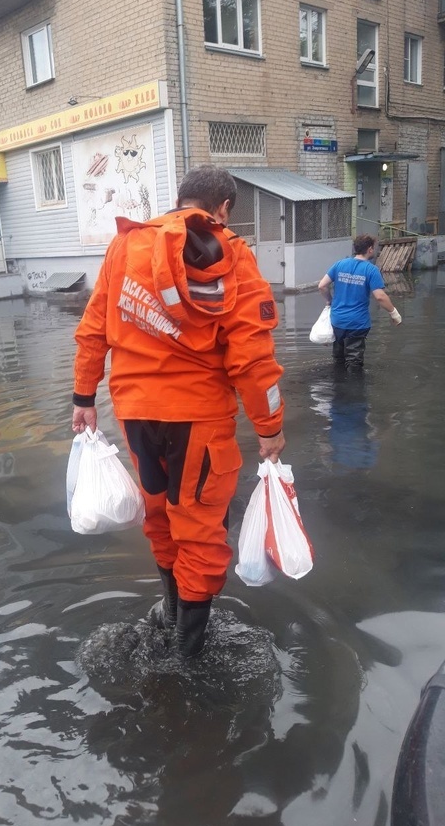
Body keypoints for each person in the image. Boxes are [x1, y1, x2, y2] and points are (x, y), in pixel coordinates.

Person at [70, 165, 285, 658]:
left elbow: (93, 327)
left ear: (180, 197)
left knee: (160, 516)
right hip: (198, 419)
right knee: (201, 528)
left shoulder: (125, 245)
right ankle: (189, 658)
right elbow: (251, 354)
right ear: (223, 207)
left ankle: (170, 614)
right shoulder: (232, 253)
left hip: (135, 413)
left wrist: (84, 397)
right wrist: (270, 427)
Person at [318, 234, 402, 371]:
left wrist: (330, 301)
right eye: (373, 248)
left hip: (337, 320)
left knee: (338, 359)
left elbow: (322, 286)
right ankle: (354, 390)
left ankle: (337, 388)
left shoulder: (340, 264)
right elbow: (380, 296)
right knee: (354, 363)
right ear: (369, 249)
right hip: (357, 324)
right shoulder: (371, 270)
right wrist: (394, 313)